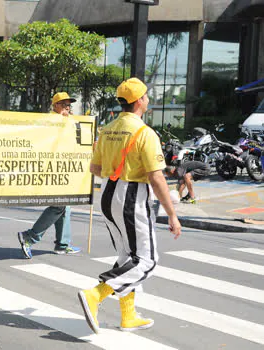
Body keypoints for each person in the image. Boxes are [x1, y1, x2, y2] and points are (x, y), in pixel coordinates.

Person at [78, 78, 181, 334]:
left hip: (108, 193)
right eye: (146, 96)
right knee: (146, 260)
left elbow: (95, 168)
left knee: (127, 257)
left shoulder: (108, 129)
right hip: (131, 196)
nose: (147, 99)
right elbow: (156, 177)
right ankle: (96, 294)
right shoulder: (144, 133)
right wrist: (172, 214)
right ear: (140, 101)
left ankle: (129, 316)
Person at [17, 92, 80, 259]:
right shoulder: (50, 121)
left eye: (69, 104)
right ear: (55, 105)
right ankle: (29, 236)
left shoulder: (65, 120)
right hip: (51, 169)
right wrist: (66, 121)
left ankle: (62, 244)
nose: (68, 107)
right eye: (64, 103)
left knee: (65, 205)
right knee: (58, 206)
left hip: (63, 168)